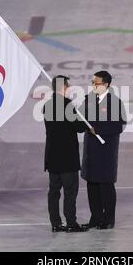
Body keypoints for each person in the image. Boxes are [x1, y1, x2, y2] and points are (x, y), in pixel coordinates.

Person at [79, 71, 126, 230]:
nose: (93, 85)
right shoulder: (88, 100)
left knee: (105, 185)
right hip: (91, 151)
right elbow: (81, 120)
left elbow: (118, 126)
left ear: (106, 85)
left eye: (96, 83)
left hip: (106, 151)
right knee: (92, 186)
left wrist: (98, 129)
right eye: (92, 82)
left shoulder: (115, 102)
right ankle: (96, 218)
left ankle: (108, 219)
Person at [43, 75, 90, 233]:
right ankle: (71, 223)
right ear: (64, 87)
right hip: (67, 158)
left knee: (54, 192)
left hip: (52, 157)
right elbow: (79, 127)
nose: (69, 88)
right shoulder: (67, 106)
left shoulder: (47, 105)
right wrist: (86, 122)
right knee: (70, 192)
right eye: (68, 86)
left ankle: (55, 224)